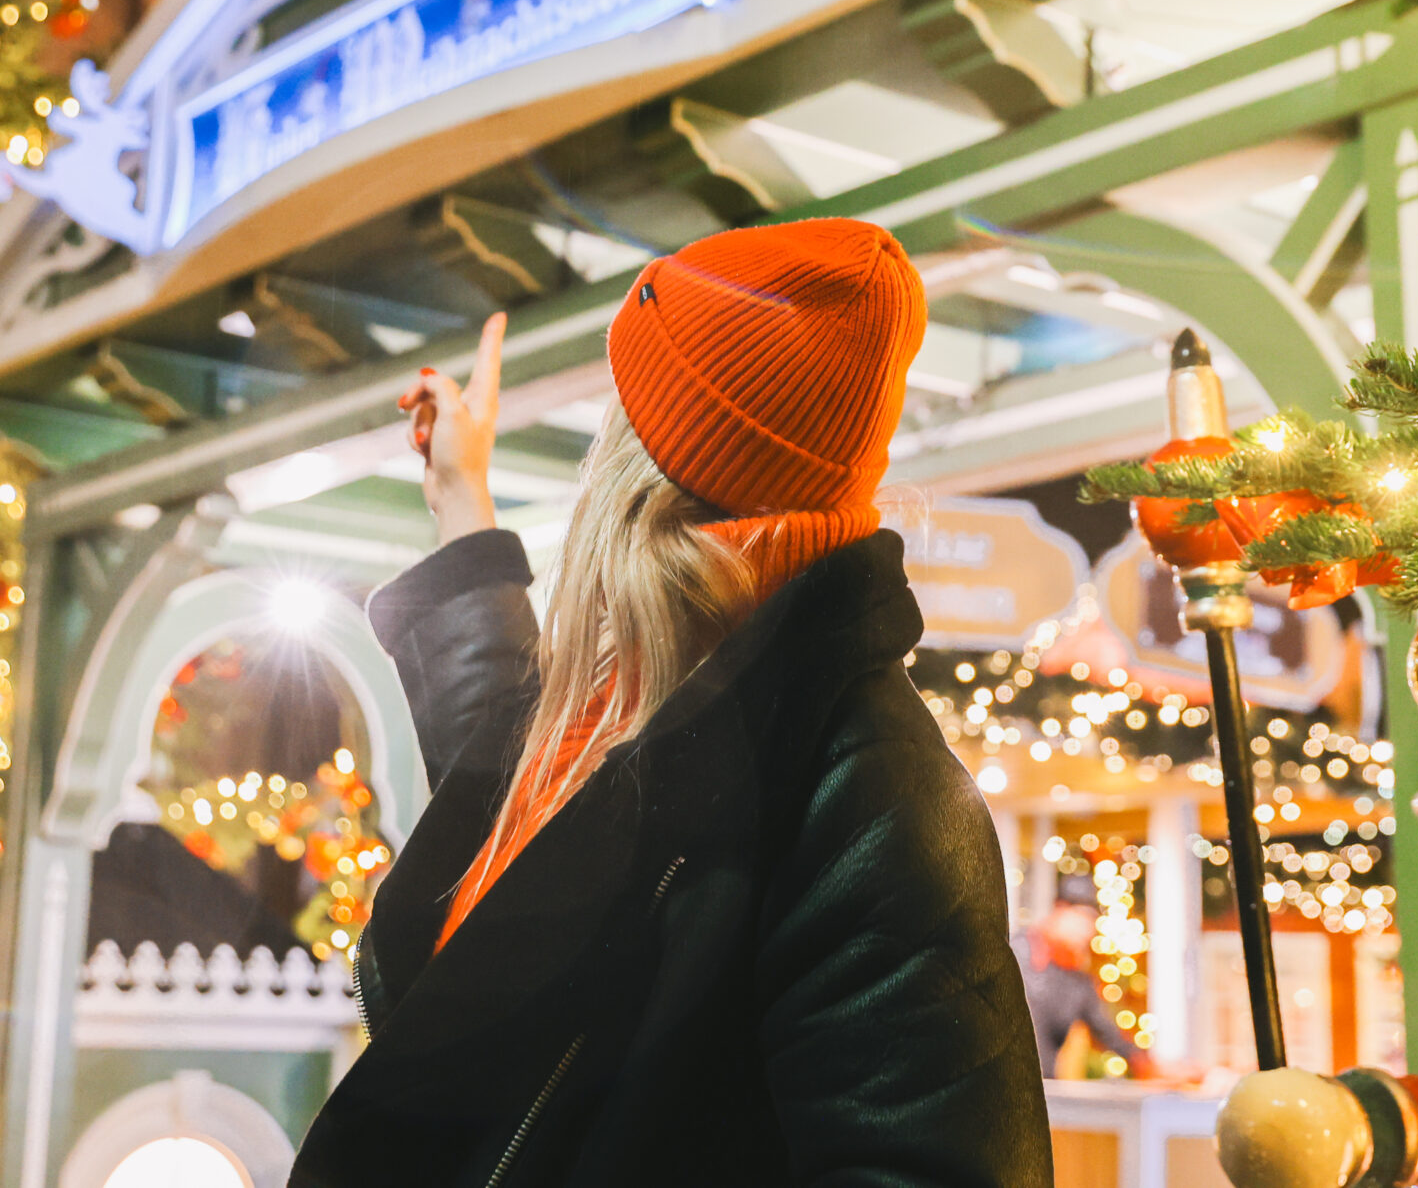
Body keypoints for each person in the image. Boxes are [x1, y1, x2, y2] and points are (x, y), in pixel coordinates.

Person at [289, 218, 1051, 1188]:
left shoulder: (874, 800)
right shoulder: (649, 695)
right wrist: (459, 502)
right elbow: (536, 833)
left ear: (643, 462)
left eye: (625, 403)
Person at [1015, 876, 1156, 1081]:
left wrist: (1152, 1068)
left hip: (1044, 1092)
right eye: (1082, 916)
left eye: (1092, 921)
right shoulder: (1014, 954)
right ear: (1060, 909)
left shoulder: (1077, 981)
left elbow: (1109, 1033)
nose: (1087, 929)